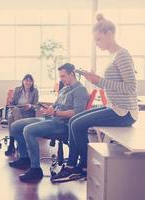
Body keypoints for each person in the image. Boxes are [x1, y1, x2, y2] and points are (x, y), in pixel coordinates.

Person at [51, 14, 138, 183]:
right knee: (74, 120)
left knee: (76, 123)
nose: (96, 44)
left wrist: (100, 80)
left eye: (98, 39)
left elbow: (131, 88)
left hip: (124, 112)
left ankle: (81, 167)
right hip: (114, 107)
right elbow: (111, 85)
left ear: (109, 34)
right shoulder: (112, 56)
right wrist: (96, 80)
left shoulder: (122, 54)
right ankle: (73, 166)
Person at [9, 63, 89, 182]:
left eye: (63, 76)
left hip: (63, 126)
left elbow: (77, 113)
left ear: (72, 74)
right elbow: (55, 106)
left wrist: (55, 112)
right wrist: (48, 109)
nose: (61, 79)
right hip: (52, 119)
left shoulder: (80, 90)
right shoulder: (64, 89)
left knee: (28, 130)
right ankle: (25, 158)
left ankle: (35, 169)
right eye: (60, 76)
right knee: (15, 126)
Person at [5, 74, 39, 156]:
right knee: (12, 114)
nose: (28, 82)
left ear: (32, 82)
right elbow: (13, 103)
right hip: (16, 110)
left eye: (30, 80)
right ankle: (17, 142)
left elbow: (36, 106)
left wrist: (30, 106)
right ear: (23, 81)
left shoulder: (34, 91)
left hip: (27, 112)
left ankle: (12, 144)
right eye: (26, 80)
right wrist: (10, 103)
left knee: (11, 118)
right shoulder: (17, 89)